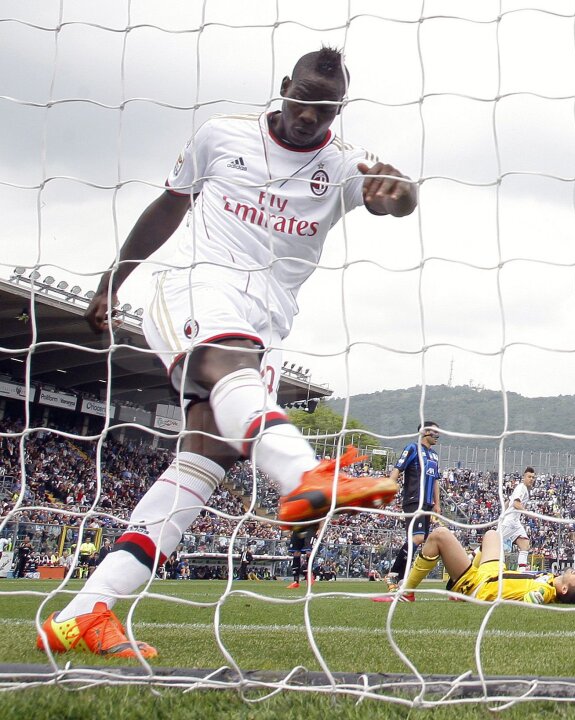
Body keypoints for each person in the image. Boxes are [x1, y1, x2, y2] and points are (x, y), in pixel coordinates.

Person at [36, 46, 411, 660]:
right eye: (302, 99)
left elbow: (394, 199)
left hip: (268, 324)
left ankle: (82, 613)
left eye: (324, 108)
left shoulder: (344, 166)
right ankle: (302, 473)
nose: (309, 116)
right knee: (226, 361)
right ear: (285, 86)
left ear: (338, 110)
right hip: (197, 285)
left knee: (202, 466)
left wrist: (398, 193)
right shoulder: (221, 135)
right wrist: (112, 280)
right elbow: (169, 206)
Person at [386, 526, 575, 605]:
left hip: (478, 584)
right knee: (493, 535)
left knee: (439, 535)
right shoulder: (551, 579)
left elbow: (535, 597)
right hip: (491, 570)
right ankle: (465, 570)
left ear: (565, 590)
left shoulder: (547, 591)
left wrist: (535, 598)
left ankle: (406, 591)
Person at [376, 422, 441, 599]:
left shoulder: (434, 455)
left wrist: (437, 503)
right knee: (417, 538)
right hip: (413, 500)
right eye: (434, 432)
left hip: (427, 504)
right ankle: (394, 574)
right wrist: (386, 493)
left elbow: (436, 480)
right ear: (424, 432)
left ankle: (400, 579)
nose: (437, 435)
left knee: (419, 541)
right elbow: (397, 469)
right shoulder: (412, 448)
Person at [500, 467, 536, 571]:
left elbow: (509, 502)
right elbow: (516, 504)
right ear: (524, 477)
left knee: (525, 544)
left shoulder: (521, 488)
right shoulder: (521, 488)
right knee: (494, 542)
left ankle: (521, 571)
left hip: (515, 522)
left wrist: (502, 514)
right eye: (529, 477)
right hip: (510, 521)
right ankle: (471, 557)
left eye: (533, 477)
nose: (531, 479)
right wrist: (528, 513)